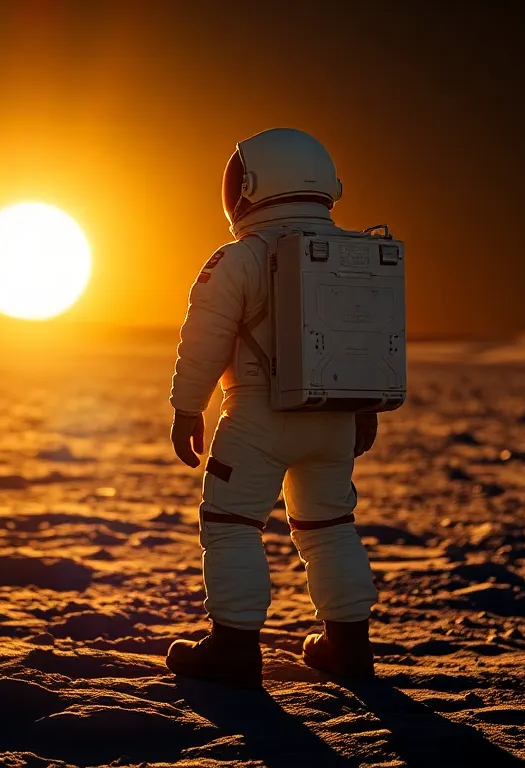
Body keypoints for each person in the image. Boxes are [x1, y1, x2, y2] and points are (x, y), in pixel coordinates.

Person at [165, 128, 381, 689]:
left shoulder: (240, 258)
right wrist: (361, 407)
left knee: (232, 524)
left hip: (258, 418)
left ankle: (234, 648)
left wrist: (188, 407)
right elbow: (368, 338)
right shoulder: (356, 256)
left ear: (253, 186)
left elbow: (205, 338)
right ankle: (349, 648)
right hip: (334, 418)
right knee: (330, 526)